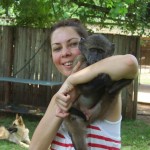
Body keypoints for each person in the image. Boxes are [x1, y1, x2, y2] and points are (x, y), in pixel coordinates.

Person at [29, 18, 138, 150]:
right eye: (57, 48)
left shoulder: (106, 85)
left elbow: (129, 63)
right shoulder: (59, 98)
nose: (65, 53)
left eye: (73, 44)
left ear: (82, 46)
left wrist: (72, 80)